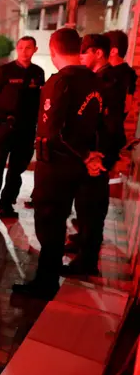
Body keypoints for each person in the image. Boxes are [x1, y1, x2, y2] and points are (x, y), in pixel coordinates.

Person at [12, 28, 105, 300]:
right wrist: (92, 156)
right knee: (60, 221)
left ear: (53, 50)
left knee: (49, 224)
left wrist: (86, 156)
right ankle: (48, 278)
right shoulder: (94, 80)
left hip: (57, 167)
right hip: (79, 168)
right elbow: (98, 124)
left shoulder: (60, 82)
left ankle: (45, 282)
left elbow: (54, 134)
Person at [63, 34, 126, 276]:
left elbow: (108, 124)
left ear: (98, 53)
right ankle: (83, 245)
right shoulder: (99, 79)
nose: (80, 57)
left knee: (92, 208)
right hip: (93, 154)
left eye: (85, 52)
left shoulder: (108, 80)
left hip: (98, 156)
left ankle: (87, 262)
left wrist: (99, 157)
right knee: (85, 206)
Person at [0, 36, 45, 224]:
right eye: (21, 47)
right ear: (17, 49)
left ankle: (7, 205)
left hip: (26, 130)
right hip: (5, 128)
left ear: (35, 50)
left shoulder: (38, 73)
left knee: (16, 171)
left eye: (28, 48)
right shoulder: (4, 71)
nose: (24, 51)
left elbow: (39, 100)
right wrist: (3, 114)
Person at [105, 30, 137, 119]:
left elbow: (126, 107)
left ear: (113, 51)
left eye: (103, 47)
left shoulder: (125, 74)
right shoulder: (130, 73)